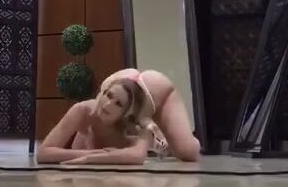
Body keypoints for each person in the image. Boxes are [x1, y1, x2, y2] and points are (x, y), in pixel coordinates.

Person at [36, 68, 200, 166]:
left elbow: (136, 157)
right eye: (108, 96)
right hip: (122, 85)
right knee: (83, 146)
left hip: (158, 89)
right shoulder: (83, 110)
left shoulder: (137, 120)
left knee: (187, 152)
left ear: (126, 114)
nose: (108, 105)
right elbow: (43, 153)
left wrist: (89, 158)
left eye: (118, 104)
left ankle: (160, 136)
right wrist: (96, 154)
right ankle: (156, 139)